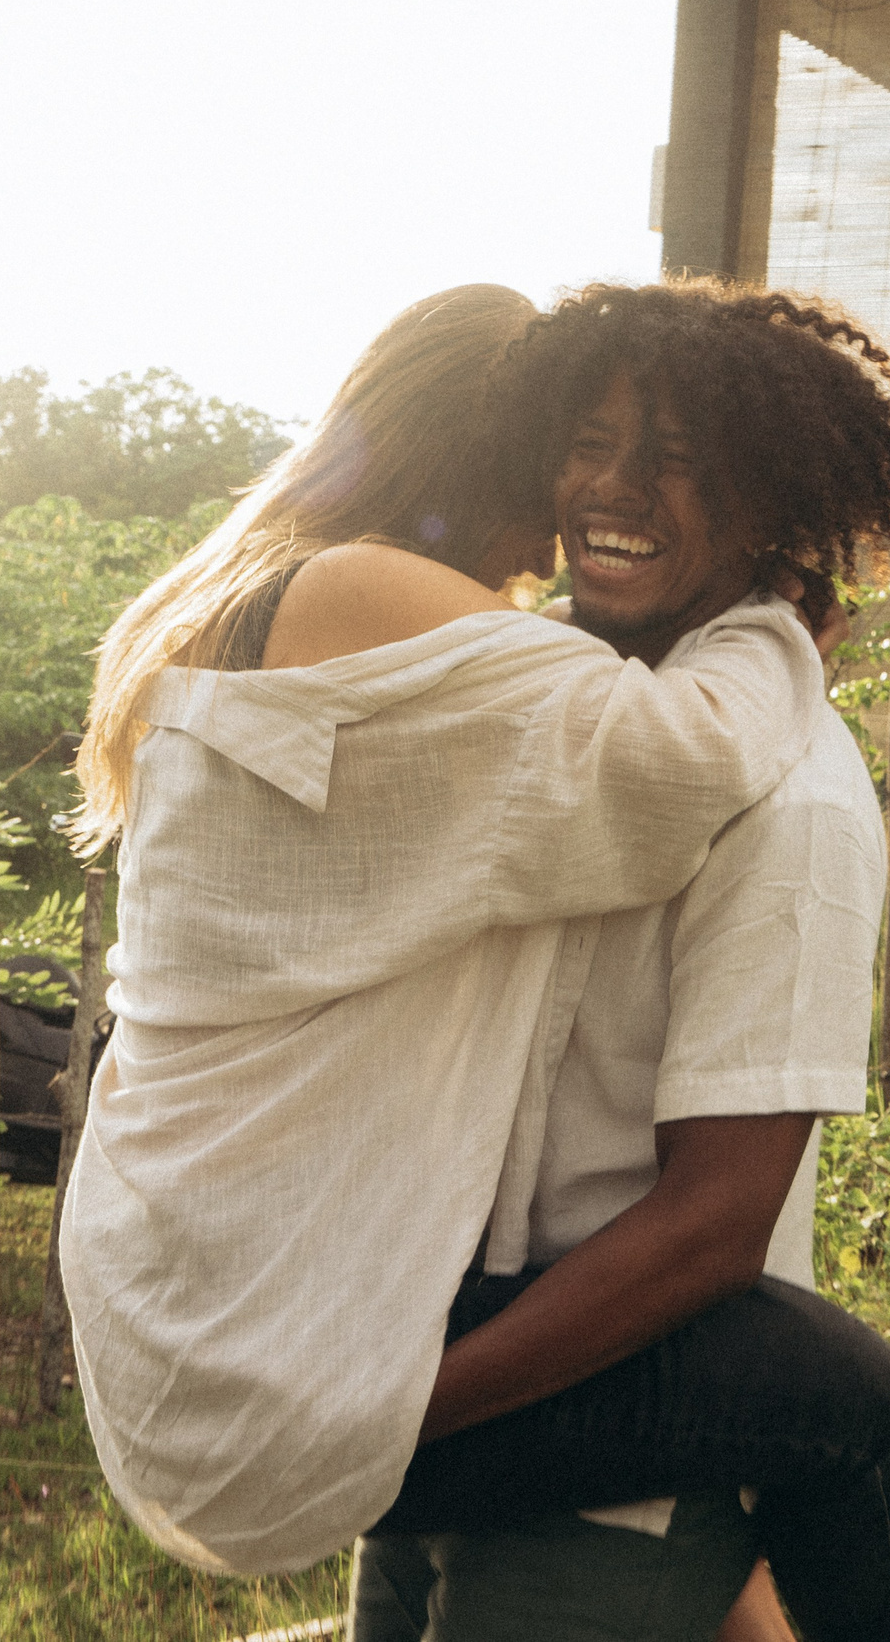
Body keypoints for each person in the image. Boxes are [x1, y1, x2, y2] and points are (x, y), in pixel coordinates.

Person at [59, 284, 849, 1577]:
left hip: (179, 1250)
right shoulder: (362, 589)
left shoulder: (261, 588)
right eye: (569, 451)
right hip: (250, 1292)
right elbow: (676, 759)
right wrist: (774, 624)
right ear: (495, 448)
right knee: (854, 1402)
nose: (573, 511)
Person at [357, 281, 890, 1642]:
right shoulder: (550, 717)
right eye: (590, 441)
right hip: (446, 1381)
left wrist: (408, 1407)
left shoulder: (792, 807)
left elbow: (713, 1225)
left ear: (772, 512)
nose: (615, 487)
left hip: (605, 1471)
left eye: (681, 459)